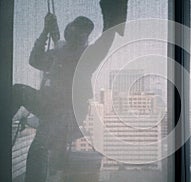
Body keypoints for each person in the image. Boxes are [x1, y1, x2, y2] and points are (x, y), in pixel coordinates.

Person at [12, 0, 128, 181]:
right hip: (50, 107)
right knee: (17, 94)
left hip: (66, 111)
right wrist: (46, 32)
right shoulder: (59, 53)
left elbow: (106, 40)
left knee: (39, 147)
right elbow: (35, 60)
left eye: (80, 32)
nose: (76, 34)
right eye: (76, 29)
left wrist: (113, 16)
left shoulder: (85, 57)